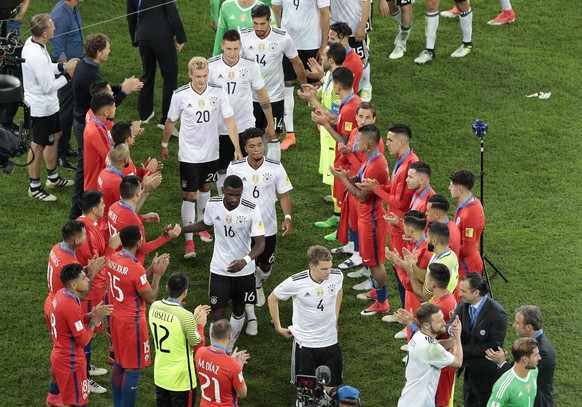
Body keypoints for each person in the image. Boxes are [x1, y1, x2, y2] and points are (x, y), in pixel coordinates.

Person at [161, 56, 241, 258]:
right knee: (189, 195)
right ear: (190, 74)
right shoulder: (180, 95)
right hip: (189, 155)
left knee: (206, 189)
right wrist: (164, 144)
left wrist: (237, 147)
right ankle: (189, 241)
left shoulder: (218, 93)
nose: (202, 80)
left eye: (205, 75)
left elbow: (230, 121)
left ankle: (202, 226)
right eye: (198, 76)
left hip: (211, 153)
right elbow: (171, 121)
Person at [181, 175, 266, 351]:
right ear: (223, 191)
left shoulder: (251, 209)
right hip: (220, 269)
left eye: (238, 195)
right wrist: (181, 229)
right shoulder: (213, 204)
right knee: (217, 314)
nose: (234, 199)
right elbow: (205, 224)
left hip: (244, 271)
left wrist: (245, 261)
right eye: (231, 195)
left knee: (238, 310)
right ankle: (215, 350)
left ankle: (228, 346)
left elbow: (260, 243)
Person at [226, 128, 293, 335]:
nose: (257, 149)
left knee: (265, 266)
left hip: (268, 227)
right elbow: (228, 197)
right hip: (243, 229)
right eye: (252, 146)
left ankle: (258, 283)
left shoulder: (274, 166)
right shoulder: (235, 168)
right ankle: (251, 315)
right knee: (245, 270)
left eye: (260, 145)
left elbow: (283, 194)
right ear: (245, 148)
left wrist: (288, 217)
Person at [70, 33, 142, 219]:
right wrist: (124, 91)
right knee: (89, 169)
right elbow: (107, 104)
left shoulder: (86, 66)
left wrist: (121, 86)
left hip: (80, 121)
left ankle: (78, 211)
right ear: (98, 52)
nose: (110, 50)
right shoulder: (97, 126)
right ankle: (81, 212)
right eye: (107, 48)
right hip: (82, 126)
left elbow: (104, 94)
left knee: (84, 166)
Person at [357, 124, 419, 312]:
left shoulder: (409, 165)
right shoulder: (402, 160)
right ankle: (403, 312)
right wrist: (380, 186)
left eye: (390, 140)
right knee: (398, 270)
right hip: (396, 224)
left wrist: (376, 189)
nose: (386, 143)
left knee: (404, 273)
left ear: (401, 142)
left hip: (402, 227)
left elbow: (400, 202)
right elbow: (395, 191)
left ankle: (407, 317)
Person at [107, 225, 170, 407]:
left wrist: (148, 269)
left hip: (116, 319)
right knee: (133, 368)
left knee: (119, 362)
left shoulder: (113, 258)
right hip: (132, 324)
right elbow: (150, 297)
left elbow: (130, 281)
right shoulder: (135, 268)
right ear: (138, 242)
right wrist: (157, 276)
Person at [44, 220, 105, 405]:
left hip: (53, 301)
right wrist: (92, 274)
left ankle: (54, 395)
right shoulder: (69, 263)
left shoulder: (57, 249)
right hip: (63, 306)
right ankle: (83, 377)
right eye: (85, 236)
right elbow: (82, 293)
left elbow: (72, 281)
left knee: (59, 346)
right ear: (77, 239)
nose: (87, 238)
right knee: (74, 346)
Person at [329, 125, 389, 316]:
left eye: (357, 140)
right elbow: (360, 178)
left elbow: (362, 196)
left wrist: (343, 180)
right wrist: (348, 176)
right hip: (368, 218)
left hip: (371, 219)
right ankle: (376, 291)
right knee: (370, 260)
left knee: (375, 263)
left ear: (366, 144)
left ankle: (383, 302)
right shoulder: (372, 159)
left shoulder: (376, 164)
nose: (353, 143)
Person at [268, 245, 344, 387]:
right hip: (306, 344)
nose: (328, 272)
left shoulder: (337, 276)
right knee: (306, 391)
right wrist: (278, 327)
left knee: (333, 389)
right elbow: (272, 298)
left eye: (329, 267)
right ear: (312, 266)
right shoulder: (296, 282)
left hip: (330, 342)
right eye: (324, 269)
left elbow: (339, 291)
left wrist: (335, 317)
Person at [208, 29, 275, 190]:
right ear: (222, 46)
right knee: (221, 167)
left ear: (241, 47)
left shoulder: (250, 66)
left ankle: (247, 197)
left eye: (236, 49)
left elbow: (263, 96)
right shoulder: (211, 66)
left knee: (248, 165)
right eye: (229, 48)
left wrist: (271, 123)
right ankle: (224, 199)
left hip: (245, 126)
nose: (232, 53)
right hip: (220, 128)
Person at [22, 13, 77, 202]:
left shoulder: (36, 43)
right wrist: (69, 75)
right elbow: (47, 86)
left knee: (56, 136)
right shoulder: (35, 54)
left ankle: (52, 178)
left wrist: (62, 67)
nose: (55, 27)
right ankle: (34, 186)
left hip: (50, 105)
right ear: (45, 33)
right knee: (38, 145)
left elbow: (47, 69)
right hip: (40, 107)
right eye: (52, 25)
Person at [240, 4, 307, 159]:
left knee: (274, 135)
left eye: (262, 23)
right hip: (250, 97)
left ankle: (274, 172)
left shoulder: (282, 37)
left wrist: (304, 84)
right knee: (252, 137)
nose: (259, 27)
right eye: (255, 23)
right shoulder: (243, 36)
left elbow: (296, 62)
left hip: (275, 96)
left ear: (269, 20)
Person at [393, 262, 459, 407]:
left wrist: (410, 323)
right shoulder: (449, 297)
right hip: (441, 358)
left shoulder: (439, 307)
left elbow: (426, 336)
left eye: (427, 278)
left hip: (441, 363)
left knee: (440, 402)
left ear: (432, 283)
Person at [296, 43, 345, 232]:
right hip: (326, 137)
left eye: (324, 57)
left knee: (337, 178)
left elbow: (334, 117)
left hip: (333, 137)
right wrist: (318, 85)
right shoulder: (332, 78)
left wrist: (312, 100)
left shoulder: (337, 86)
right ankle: (336, 214)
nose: (321, 59)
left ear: (331, 60)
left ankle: (341, 220)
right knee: (332, 177)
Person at [76, 190, 121, 394]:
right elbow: (96, 265)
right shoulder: (85, 232)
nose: (105, 206)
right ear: (94, 209)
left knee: (92, 332)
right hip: (90, 290)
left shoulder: (90, 225)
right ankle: (84, 376)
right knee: (88, 331)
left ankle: (87, 367)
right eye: (102, 204)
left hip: (96, 288)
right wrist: (111, 248)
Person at [48, 263, 112, 407]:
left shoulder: (61, 294)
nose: (88, 280)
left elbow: (69, 321)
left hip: (59, 355)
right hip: (71, 362)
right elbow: (83, 340)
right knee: (77, 403)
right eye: (84, 278)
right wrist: (94, 321)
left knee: (57, 400)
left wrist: (88, 316)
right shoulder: (70, 305)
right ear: (74, 285)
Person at [310, 67, 361, 242]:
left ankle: (345, 232)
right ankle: (343, 229)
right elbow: (340, 121)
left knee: (348, 196)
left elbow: (344, 141)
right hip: (350, 160)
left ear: (337, 87)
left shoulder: (348, 108)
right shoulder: (352, 102)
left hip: (349, 161)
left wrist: (325, 124)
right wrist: (331, 119)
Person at [272, 0, 330, 150]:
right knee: (287, 86)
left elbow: (325, 13)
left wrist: (323, 45)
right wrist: (279, 37)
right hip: (288, 43)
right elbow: (276, 11)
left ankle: (321, 118)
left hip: (312, 43)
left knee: (316, 84)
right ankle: (290, 134)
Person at [148, 273, 210, 407]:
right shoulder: (185, 317)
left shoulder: (154, 307)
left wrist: (192, 319)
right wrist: (199, 325)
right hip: (181, 381)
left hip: (161, 376)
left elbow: (175, 327)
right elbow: (198, 346)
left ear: (166, 288)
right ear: (185, 291)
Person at [448, 272, 508, 407]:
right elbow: (450, 324)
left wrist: (460, 350)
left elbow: (493, 345)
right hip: (469, 370)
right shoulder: (463, 304)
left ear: (476, 293)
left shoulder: (497, 314)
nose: (459, 294)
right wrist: (451, 330)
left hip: (486, 373)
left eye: (463, 291)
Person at [127, 0, 186, 129]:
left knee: (147, 74)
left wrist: (135, 40)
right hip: (163, 37)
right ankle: (166, 120)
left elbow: (131, 17)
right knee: (170, 76)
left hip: (144, 38)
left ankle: (145, 115)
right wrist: (181, 37)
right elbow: (172, 11)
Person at [486, 306, 555, 407]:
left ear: (528, 327)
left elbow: (519, 377)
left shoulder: (541, 351)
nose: (514, 325)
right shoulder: (531, 344)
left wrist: (502, 363)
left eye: (517, 323)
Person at [397, 303, 463, 407]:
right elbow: (458, 362)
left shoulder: (419, 335)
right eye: (439, 321)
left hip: (409, 400)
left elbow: (437, 344)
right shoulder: (430, 349)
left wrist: (452, 340)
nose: (444, 323)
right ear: (426, 325)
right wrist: (458, 337)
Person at [107, 175, 180, 264]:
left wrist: (142, 218)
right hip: (128, 262)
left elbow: (123, 223)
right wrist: (167, 237)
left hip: (115, 256)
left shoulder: (113, 207)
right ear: (138, 194)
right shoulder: (134, 221)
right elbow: (143, 249)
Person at [194, 319, 250, 406]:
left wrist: (230, 359)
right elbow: (242, 393)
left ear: (212, 334)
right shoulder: (233, 366)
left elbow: (216, 366)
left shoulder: (200, 353)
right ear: (230, 336)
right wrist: (238, 368)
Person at [330, 0, 372, 99]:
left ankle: (366, 85)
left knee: (361, 59)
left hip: (354, 26)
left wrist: (362, 27)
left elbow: (366, 2)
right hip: (336, 27)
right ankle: (336, 84)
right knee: (335, 57)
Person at [449, 169, 485, 278]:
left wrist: (447, 248)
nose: (449, 188)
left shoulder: (471, 214)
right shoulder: (463, 202)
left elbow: (467, 249)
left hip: (467, 267)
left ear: (460, 190)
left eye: (451, 186)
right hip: (461, 263)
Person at [487, 337, 540, 407]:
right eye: (536, 355)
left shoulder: (534, 371)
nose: (539, 358)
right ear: (525, 359)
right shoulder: (503, 386)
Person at [83, 92, 116, 192]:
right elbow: (111, 158)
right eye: (114, 107)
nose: (115, 109)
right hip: (97, 185)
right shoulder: (97, 131)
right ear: (105, 112)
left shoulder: (95, 120)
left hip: (92, 182)